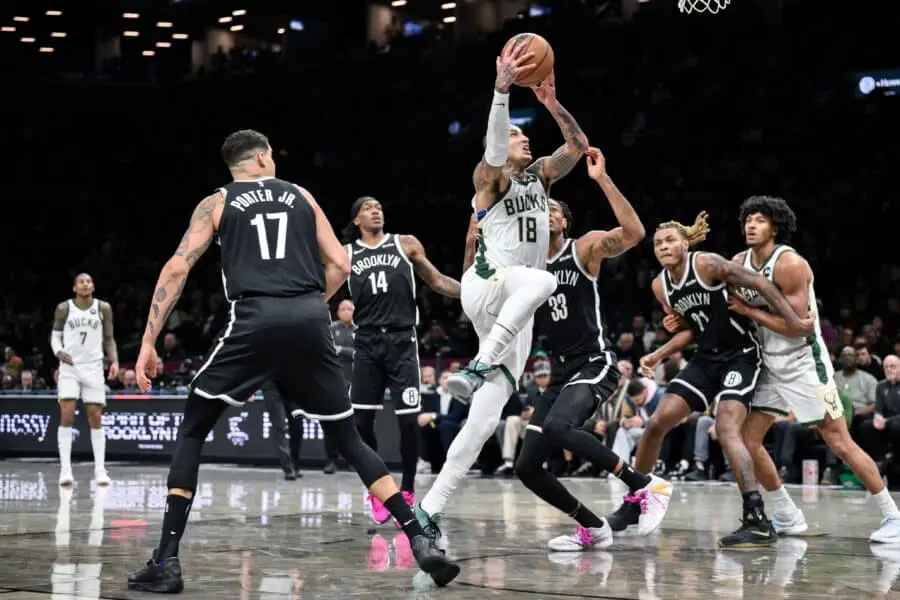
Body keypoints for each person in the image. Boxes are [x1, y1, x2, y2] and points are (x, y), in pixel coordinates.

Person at [126, 129, 458, 593]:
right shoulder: (301, 194)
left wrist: (148, 342)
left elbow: (178, 266)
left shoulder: (216, 202)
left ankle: (166, 560)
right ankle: (419, 537)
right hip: (309, 319)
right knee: (348, 438)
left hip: (254, 319)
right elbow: (341, 264)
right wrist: (308, 306)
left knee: (194, 428)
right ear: (263, 158)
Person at [415, 40, 590, 536]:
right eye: (516, 134)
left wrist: (551, 104)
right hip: (488, 285)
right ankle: (476, 366)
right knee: (545, 278)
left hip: (517, 310)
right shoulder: (488, 180)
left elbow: (577, 147)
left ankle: (429, 509)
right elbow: (493, 152)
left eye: (524, 134)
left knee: (483, 420)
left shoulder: (540, 179)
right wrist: (501, 92)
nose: (523, 139)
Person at [608, 213, 814, 547]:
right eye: (658, 243)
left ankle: (757, 518)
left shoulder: (707, 264)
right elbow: (693, 329)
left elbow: (760, 283)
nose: (663, 247)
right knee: (657, 422)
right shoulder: (660, 286)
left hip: (740, 354)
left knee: (727, 427)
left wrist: (793, 321)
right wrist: (658, 354)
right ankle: (636, 501)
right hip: (705, 358)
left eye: (670, 240)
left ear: (685, 244)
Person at [516, 149, 668, 552]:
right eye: (540, 209)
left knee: (558, 427)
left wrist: (602, 179)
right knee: (526, 467)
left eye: (553, 210)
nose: (546, 213)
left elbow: (633, 233)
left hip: (594, 362)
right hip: (560, 372)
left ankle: (644, 485)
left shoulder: (582, 248)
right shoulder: (527, 267)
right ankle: (593, 526)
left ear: (564, 222)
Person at [724, 195, 900, 542]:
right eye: (748, 220)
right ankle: (787, 513)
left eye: (760, 220)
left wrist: (749, 311)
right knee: (747, 439)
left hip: (804, 363)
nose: (751, 225)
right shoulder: (738, 263)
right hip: (767, 364)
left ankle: (892, 516)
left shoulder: (790, 264)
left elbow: (795, 327)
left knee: (839, 441)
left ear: (775, 227)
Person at [342, 196, 461, 523]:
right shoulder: (346, 254)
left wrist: (473, 293)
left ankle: (407, 490)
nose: (376, 211)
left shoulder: (405, 244)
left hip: (401, 342)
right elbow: (322, 289)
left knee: (409, 422)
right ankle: (379, 488)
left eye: (379, 207)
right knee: (361, 423)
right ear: (356, 220)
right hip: (367, 342)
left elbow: (438, 281)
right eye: (368, 208)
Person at [50, 273, 119, 487]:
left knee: (95, 416)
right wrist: (59, 351)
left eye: (89, 281)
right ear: (74, 288)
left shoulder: (103, 308)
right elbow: (55, 335)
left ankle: (100, 470)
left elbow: (109, 338)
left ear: (93, 286)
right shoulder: (64, 308)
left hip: (94, 367)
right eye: (81, 281)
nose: (85, 284)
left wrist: (114, 361)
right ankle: (65, 470)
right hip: (70, 367)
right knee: (67, 414)